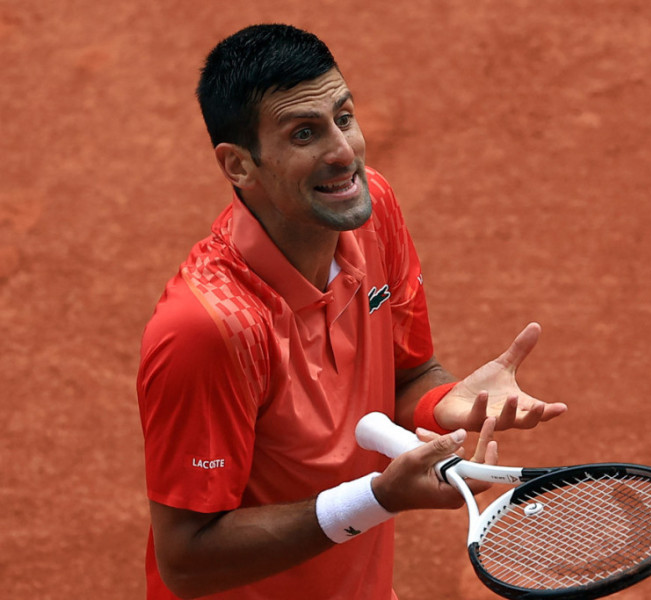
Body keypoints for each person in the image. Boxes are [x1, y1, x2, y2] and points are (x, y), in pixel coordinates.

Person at [136, 23, 567, 600]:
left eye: (343, 117)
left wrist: (446, 402)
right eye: (305, 133)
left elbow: (408, 374)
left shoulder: (372, 211)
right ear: (238, 165)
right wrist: (377, 499)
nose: (344, 153)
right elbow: (186, 561)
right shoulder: (208, 329)